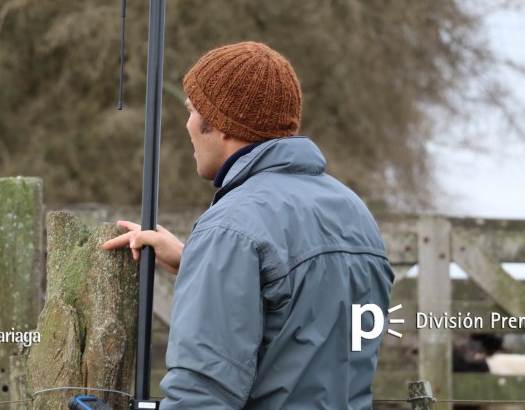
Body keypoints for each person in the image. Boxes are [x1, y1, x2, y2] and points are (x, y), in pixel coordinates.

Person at [102, 41, 393, 409]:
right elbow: (312, 334)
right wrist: (198, 261)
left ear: (221, 125)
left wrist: (219, 254)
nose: (187, 123)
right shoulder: (354, 214)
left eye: (193, 110)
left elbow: (203, 392)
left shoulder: (232, 227)